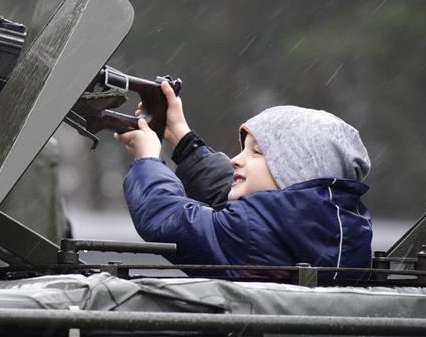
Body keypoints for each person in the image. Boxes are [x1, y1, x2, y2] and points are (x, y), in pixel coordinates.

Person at [115, 82, 372, 277]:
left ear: (295, 172)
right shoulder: (338, 230)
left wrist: (147, 158)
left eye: (257, 152)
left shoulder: (248, 232)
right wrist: (182, 139)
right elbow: (229, 200)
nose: (235, 160)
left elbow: (166, 219)